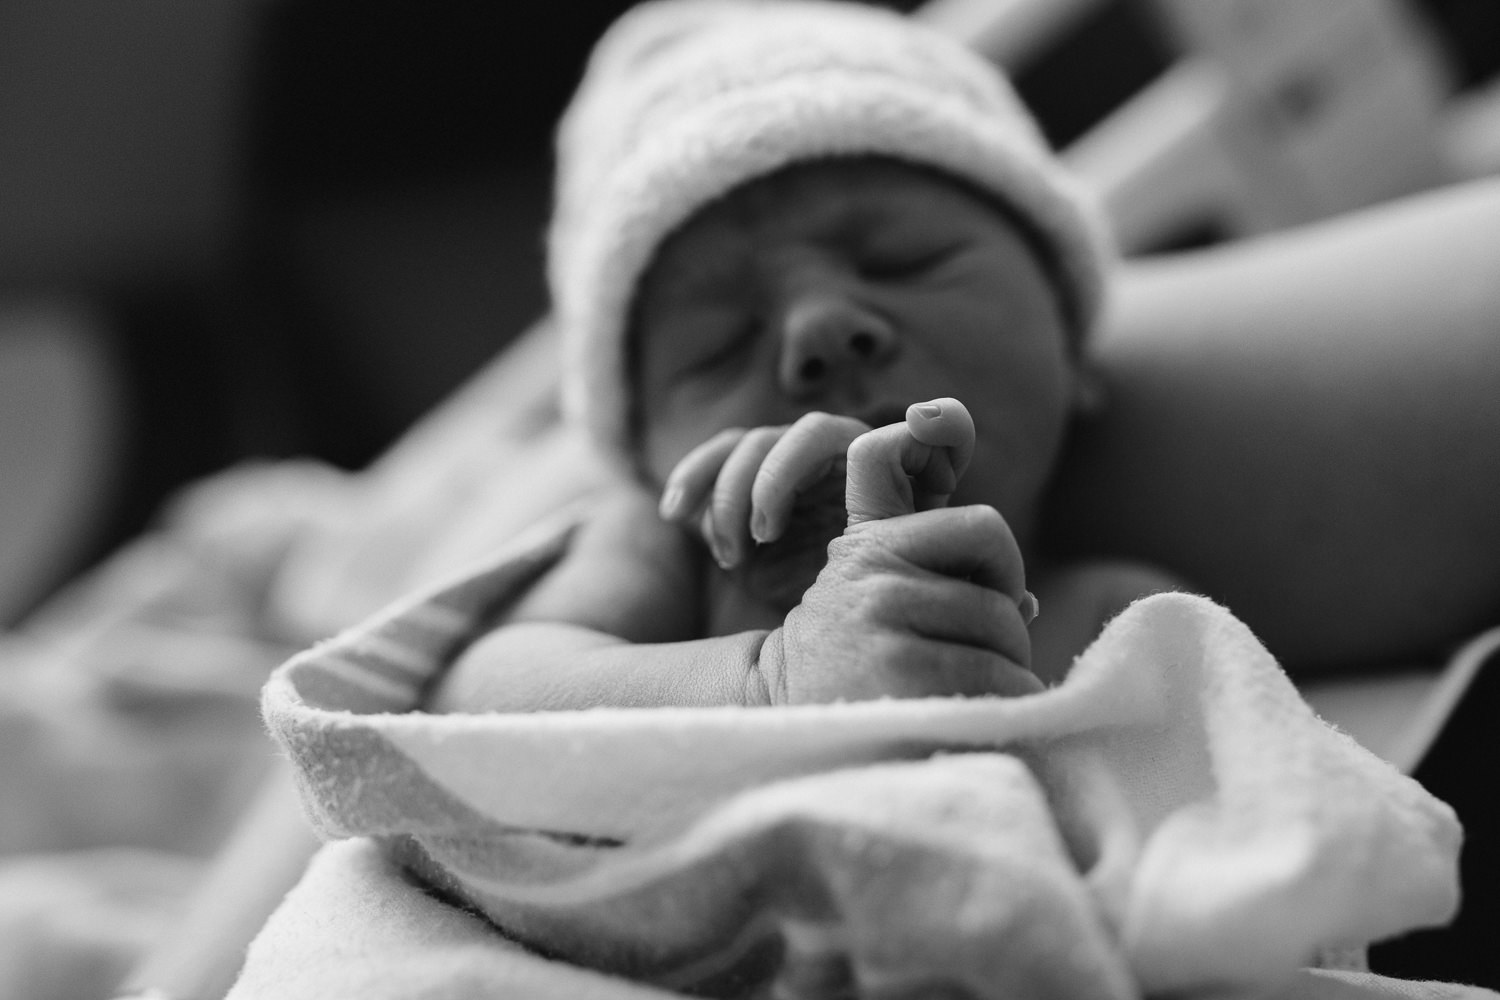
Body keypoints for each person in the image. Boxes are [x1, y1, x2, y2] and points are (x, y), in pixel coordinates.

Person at [430, 0, 1177, 717]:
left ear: (1072, 346)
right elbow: (473, 710)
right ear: (646, 460)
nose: (819, 328)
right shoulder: (668, 553)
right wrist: (763, 683)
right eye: (721, 342)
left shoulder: (1129, 623)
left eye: (900, 260)